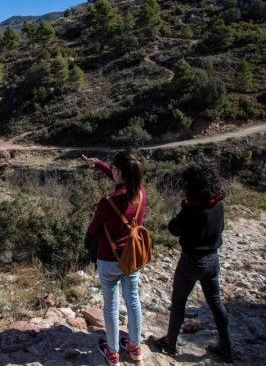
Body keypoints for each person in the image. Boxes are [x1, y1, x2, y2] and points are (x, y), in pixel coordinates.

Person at [150, 160, 235, 362]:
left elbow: (174, 228)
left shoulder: (191, 210)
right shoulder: (219, 203)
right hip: (212, 260)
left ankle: (170, 344)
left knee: (178, 303)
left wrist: (178, 215)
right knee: (216, 303)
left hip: (190, 261)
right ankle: (226, 347)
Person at [83, 151, 146, 365]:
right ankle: (135, 346)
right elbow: (121, 181)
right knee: (133, 300)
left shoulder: (107, 201)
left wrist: (88, 239)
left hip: (109, 259)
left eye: (113, 169)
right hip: (132, 257)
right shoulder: (141, 194)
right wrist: (99, 164)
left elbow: (93, 229)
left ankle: (112, 352)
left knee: (110, 305)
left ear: (119, 171)